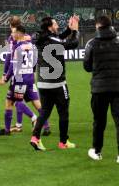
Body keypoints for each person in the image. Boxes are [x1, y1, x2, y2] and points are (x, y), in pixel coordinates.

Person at [30, 15, 79, 151]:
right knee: (63, 112)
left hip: (43, 83)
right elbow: (73, 43)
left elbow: (57, 37)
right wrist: (75, 31)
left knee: (44, 111)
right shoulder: (53, 40)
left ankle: (35, 138)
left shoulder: (41, 38)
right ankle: (63, 142)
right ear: (50, 27)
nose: (57, 26)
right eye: (56, 24)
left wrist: (69, 29)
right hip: (58, 83)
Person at [0, 22, 50, 136]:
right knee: (36, 103)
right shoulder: (32, 46)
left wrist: (5, 78)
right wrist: (33, 72)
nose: (12, 34)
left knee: (13, 101)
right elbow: (35, 61)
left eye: (14, 32)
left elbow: (12, 66)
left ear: (19, 33)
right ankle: (47, 126)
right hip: (30, 77)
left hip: (19, 78)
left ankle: (32, 118)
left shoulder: (17, 47)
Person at [83, 15, 119, 163]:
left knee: (99, 121)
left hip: (99, 89)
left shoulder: (91, 44)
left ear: (98, 26)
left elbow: (86, 66)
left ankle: (97, 151)